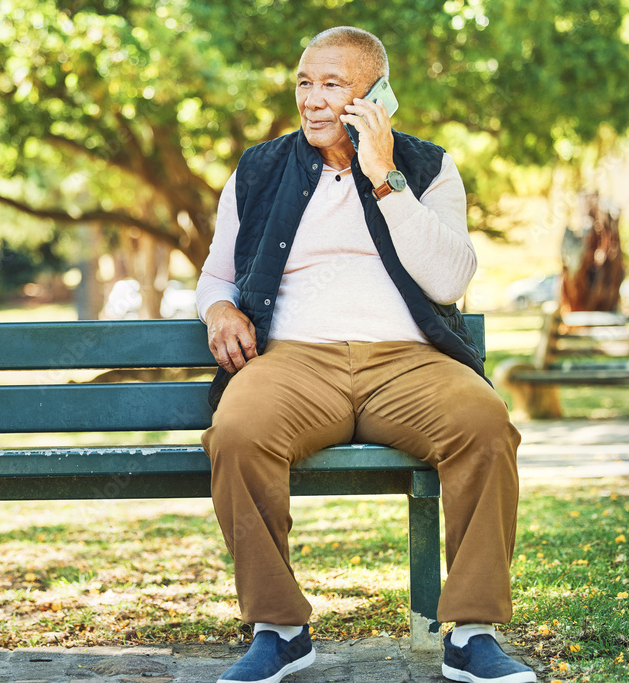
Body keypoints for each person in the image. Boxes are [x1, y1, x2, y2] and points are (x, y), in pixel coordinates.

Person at [196, 26, 536, 683]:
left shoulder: (428, 167)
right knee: (236, 432)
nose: (312, 99)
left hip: (409, 361)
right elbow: (215, 276)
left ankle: (471, 633)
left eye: (333, 85)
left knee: (485, 424)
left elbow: (449, 280)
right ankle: (281, 627)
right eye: (304, 82)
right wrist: (219, 309)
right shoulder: (259, 170)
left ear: (378, 95)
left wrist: (384, 177)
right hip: (294, 361)